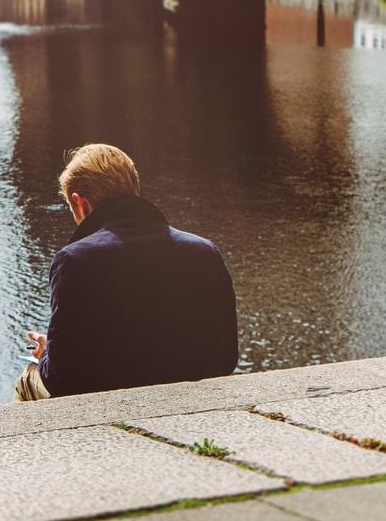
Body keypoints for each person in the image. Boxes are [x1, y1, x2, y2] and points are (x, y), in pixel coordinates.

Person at [14, 143, 238, 402]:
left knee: (28, 379)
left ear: (80, 203)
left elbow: (61, 378)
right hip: (193, 396)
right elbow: (226, 357)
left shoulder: (75, 259)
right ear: (133, 189)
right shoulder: (204, 251)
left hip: (114, 400)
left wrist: (46, 354)